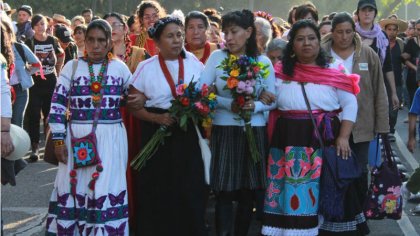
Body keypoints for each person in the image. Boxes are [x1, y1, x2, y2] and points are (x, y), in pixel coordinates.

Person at [261, 19, 360, 236]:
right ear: (292, 45)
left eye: (312, 38)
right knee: (290, 189)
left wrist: (344, 137)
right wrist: (262, 96)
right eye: (300, 39)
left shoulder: (334, 68)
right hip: (287, 138)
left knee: (324, 188)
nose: (307, 43)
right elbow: (274, 102)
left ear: (319, 41)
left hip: (323, 137)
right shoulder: (280, 71)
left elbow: (350, 103)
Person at [46, 19, 132, 235]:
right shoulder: (72, 67)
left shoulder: (120, 68)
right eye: (91, 40)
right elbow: (57, 105)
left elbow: (136, 97)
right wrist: (58, 141)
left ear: (109, 42)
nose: (96, 45)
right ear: (84, 41)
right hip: (76, 139)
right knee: (74, 187)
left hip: (111, 141)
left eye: (101, 40)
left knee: (106, 187)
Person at [199, 10, 276, 235]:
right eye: (226, 32)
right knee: (223, 191)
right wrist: (226, 103)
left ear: (249, 32)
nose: (228, 38)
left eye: (234, 32)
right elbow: (204, 92)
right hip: (225, 130)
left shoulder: (263, 62)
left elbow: (272, 99)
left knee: (247, 192)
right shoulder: (217, 58)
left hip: (255, 129)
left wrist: (256, 106)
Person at [129, 17, 207, 236]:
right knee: (158, 186)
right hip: (157, 131)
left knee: (189, 184)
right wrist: (157, 119)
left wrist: (199, 107)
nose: (176, 40)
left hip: (187, 131)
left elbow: (205, 95)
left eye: (179, 35)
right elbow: (134, 106)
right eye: (170, 36)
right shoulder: (146, 67)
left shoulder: (193, 62)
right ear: (157, 42)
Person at [321, 11, 389, 223]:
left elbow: (379, 91)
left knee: (359, 172)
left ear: (354, 31)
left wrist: (383, 126)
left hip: (362, 126)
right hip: (329, 126)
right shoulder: (321, 54)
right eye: (339, 32)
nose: (344, 37)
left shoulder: (368, 54)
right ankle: (332, 216)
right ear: (332, 33)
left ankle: (357, 217)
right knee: (331, 171)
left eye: (349, 32)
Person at [103, 11, 147, 231]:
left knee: (132, 159)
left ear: (125, 28)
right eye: (108, 25)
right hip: (106, 118)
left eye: (116, 24)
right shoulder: (98, 53)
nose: (113, 28)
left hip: (133, 117)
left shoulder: (140, 54)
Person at [24, 14, 64, 162]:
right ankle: (34, 148)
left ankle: (51, 147)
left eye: (43, 24)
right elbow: (23, 60)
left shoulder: (52, 40)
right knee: (34, 115)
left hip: (50, 81)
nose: (41, 27)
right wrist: (28, 70)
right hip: (35, 84)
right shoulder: (30, 42)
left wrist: (58, 70)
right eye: (38, 24)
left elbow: (61, 54)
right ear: (33, 27)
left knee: (50, 114)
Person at [1, 15, 40, 128]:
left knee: (17, 122)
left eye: (5, 30)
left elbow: (37, 64)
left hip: (19, 90)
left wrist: (25, 73)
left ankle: (18, 145)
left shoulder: (19, 47)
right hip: (2, 90)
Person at [380, 17, 408, 138]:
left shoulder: (401, 44)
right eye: (389, 29)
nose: (391, 32)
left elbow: (405, 60)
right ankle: (383, 131)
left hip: (396, 80)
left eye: (394, 30)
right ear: (385, 30)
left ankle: (391, 129)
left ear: (398, 31)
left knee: (394, 108)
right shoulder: (379, 43)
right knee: (382, 107)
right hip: (381, 81)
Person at [402, 19, 420, 105]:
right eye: (418, 29)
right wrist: (415, 68)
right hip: (413, 78)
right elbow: (405, 60)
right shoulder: (410, 42)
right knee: (414, 104)